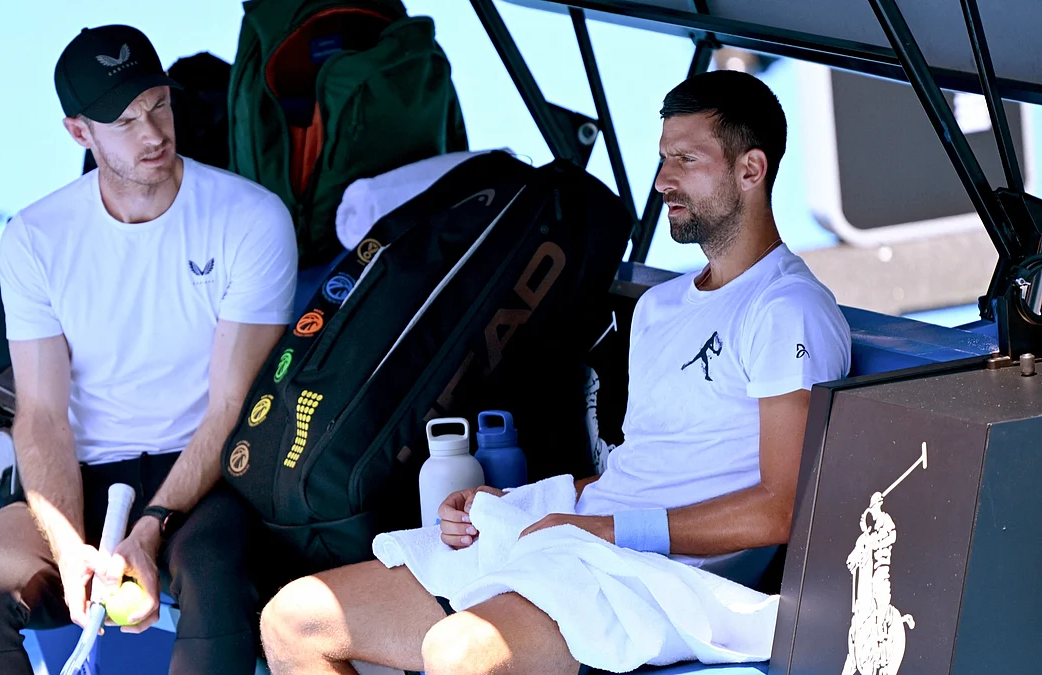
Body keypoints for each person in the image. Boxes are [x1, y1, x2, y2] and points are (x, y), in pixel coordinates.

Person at [259, 70, 852, 675]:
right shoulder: (658, 308)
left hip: (661, 580)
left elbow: (780, 509)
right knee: (295, 620)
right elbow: (642, 470)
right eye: (662, 159)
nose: (661, 181)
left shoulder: (787, 309)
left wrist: (606, 530)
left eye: (686, 160)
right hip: (585, 545)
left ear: (751, 170)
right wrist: (514, 501)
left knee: (459, 653)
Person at [0, 24, 298, 675]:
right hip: (83, 474)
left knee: (212, 575)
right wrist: (69, 546)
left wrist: (151, 526)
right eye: (125, 120)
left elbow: (230, 404)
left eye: (159, 104)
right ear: (80, 131)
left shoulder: (250, 217)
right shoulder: (36, 238)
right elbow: (42, 415)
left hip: (207, 473)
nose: (154, 133)